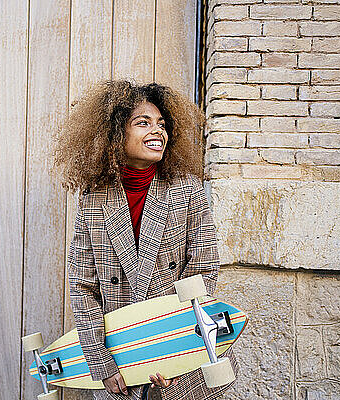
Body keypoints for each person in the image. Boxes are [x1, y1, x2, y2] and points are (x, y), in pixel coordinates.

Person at [54, 80, 237, 400]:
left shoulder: (187, 189)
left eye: (162, 125)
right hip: (120, 358)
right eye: (143, 123)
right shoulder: (94, 199)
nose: (158, 132)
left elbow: (203, 271)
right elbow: (83, 286)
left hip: (182, 352)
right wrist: (102, 363)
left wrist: (174, 353)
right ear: (114, 135)